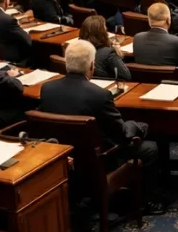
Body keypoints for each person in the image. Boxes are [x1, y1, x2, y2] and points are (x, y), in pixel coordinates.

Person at [39, 39, 163, 214]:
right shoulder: (100, 95)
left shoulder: (47, 89)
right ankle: (146, 203)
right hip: (98, 160)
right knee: (150, 148)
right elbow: (122, 135)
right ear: (92, 65)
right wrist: (138, 126)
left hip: (64, 159)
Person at [130, 3, 178, 84]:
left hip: (145, 86)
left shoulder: (137, 38)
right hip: (176, 87)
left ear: (149, 20)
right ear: (168, 20)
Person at [78, 15, 130, 80]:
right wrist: (118, 54)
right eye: (105, 27)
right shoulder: (109, 53)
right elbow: (126, 76)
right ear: (101, 33)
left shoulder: (77, 51)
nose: (106, 29)